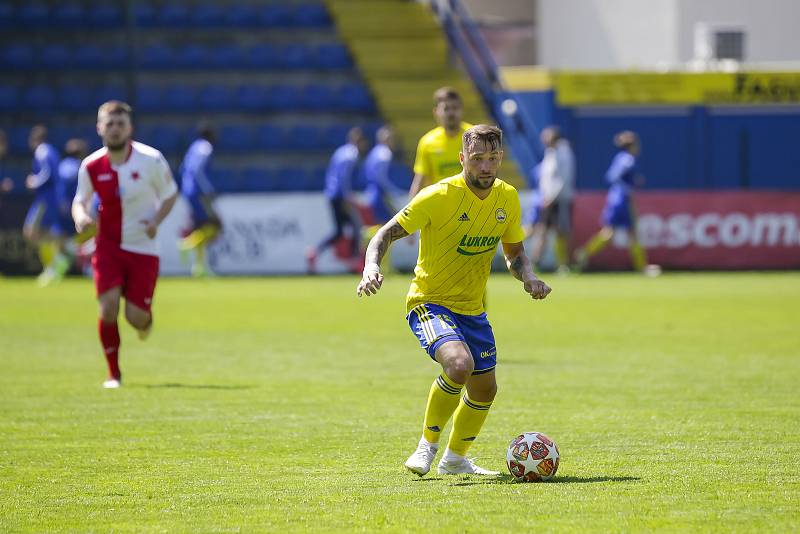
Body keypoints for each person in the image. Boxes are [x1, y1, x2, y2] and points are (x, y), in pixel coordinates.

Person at [356, 125, 552, 476]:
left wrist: (529, 277)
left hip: (472, 309)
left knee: (485, 388)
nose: (486, 166)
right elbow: (385, 233)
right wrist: (371, 267)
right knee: (459, 365)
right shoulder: (439, 195)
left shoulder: (507, 198)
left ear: (501, 158)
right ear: (463, 159)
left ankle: (455, 459)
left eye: (492, 158)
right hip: (429, 301)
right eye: (477, 159)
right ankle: (425, 448)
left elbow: (515, 253)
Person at [72, 101, 179, 389]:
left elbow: (170, 194)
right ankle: (113, 374)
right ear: (99, 128)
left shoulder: (151, 160)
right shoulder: (91, 165)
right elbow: (79, 201)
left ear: (130, 128)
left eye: (120, 124)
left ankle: (145, 322)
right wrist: (81, 217)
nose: (115, 129)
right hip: (107, 247)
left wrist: (157, 220)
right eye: (109, 124)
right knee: (107, 309)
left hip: (143, 248)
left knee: (136, 318)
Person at [573, 130, 648, 272]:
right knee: (629, 233)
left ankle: (584, 253)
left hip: (615, 199)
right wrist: (628, 188)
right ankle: (641, 267)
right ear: (631, 146)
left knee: (611, 233)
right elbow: (612, 177)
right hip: (622, 200)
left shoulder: (620, 157)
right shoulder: (628, 159)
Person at [306, 127, 368, 273]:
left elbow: (332, 174)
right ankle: (356, 262)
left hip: (332, 194)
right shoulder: (352, 155)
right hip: (340, 196)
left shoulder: (340, 151)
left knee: (340, 231)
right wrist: (347, 197)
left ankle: (314, 252)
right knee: (357, 226)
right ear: (360, 141)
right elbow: (344, 178)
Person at [524, 126, 575, 272]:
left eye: (546, 137)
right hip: (547, 199)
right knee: (542, 230)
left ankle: (563, 264)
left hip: (560, 199)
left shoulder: (564, 153)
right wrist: (544, 196)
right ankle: (535, 262)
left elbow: (563, 179)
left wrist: (551, 198)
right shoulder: (550, 152)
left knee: (561, 231)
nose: (544, 140)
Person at [408, 87, 473, 198]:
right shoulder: (427, 142)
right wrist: (408, 211)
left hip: (470, 202)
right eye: (446, 109)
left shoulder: (475, 137)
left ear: (462, 110)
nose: (451, 113)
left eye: (455, 108)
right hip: (441, 206)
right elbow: (420, 180)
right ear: (436, 112)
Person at [22, 125, 67, 286]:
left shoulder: (42, 151)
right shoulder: (52, 151)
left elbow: (47, 174)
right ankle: (55, 263)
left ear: (33, 140)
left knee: (30, 231)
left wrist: (34, 181)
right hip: (51, 199)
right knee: (47, 233)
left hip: (44, 200)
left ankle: (55, 263)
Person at [178, 123, 221, 277]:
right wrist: (208, 190)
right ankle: (187, 244)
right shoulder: (206, 148)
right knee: (215, 225)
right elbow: (198, 171)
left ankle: (200, 267)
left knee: (199, 227)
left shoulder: (193, 147)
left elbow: (183, 169)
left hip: (188, 190)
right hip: (199, 192)